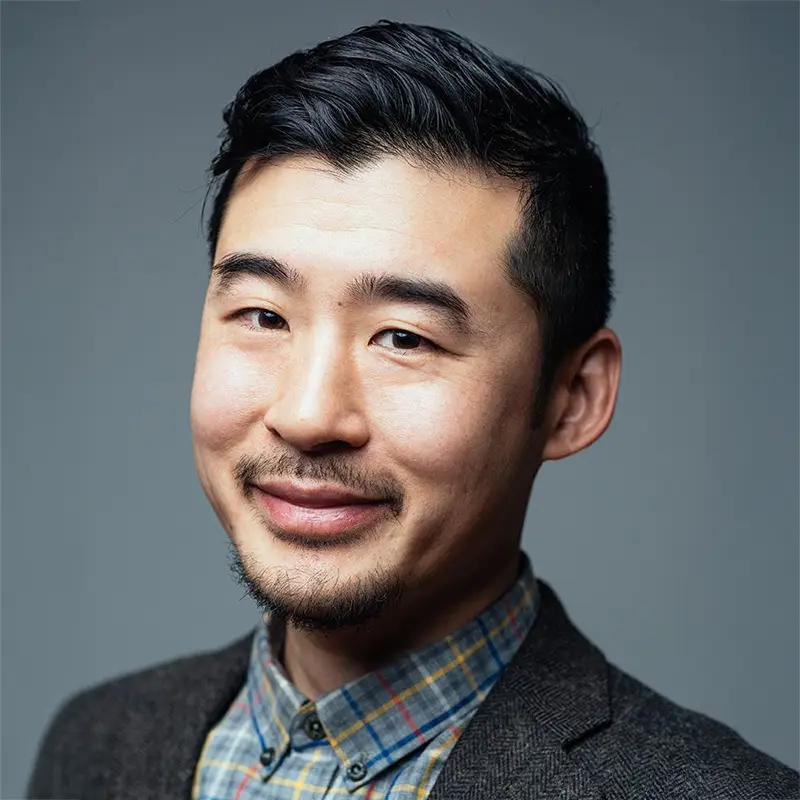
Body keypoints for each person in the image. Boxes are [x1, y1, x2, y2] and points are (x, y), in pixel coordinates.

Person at [27, 20, 798, 800]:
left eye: (403, 337)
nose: (307, 413)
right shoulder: (94, 747)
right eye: (263, 316)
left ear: (574, 398)